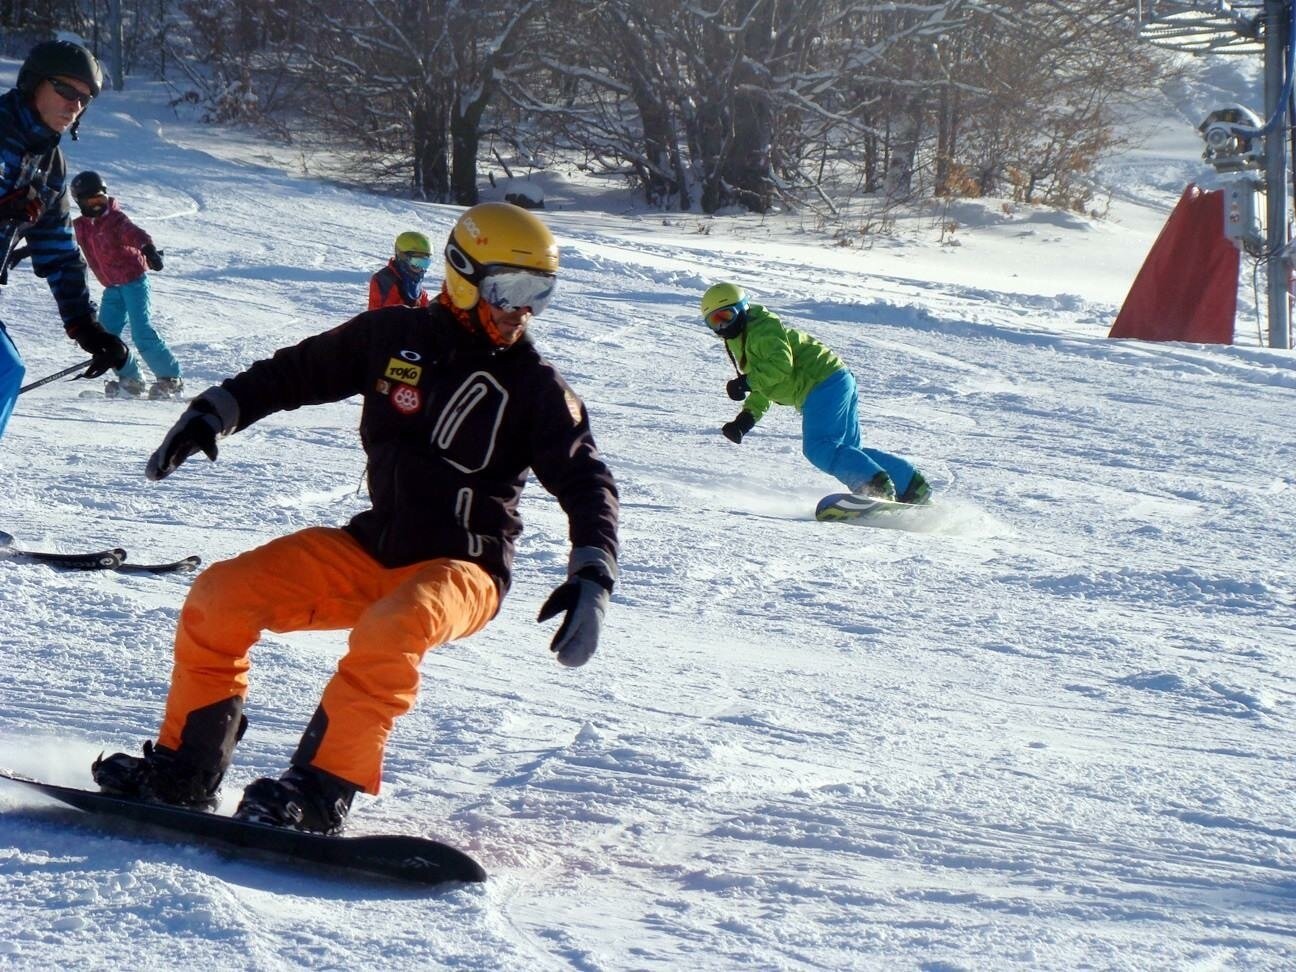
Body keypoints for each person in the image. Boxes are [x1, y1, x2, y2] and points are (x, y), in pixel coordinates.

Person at [92, 202, 620, 835]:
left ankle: (319, 791)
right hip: (374, 548)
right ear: (461, 272)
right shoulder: (391, 336)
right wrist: (217, 410)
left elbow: (586, 479)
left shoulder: (535, 386)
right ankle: (186, 771)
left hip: (465, 567)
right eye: (510, 289)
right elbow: (295, 372)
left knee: (394, 627)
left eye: (541, 294)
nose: (521, 310)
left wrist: (593, 573)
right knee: (219, 596)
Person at [701, 282, 931, 504]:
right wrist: (746, 418)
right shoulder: (743, 340)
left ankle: (875, 487)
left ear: (742, 309)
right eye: (714, 322)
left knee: (819, 447)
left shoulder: (762, 330)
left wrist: (746, 383)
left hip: (821, 383)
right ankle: (910, 486)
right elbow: (767, 381)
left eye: (726, 317)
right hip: (835, 379)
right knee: (849, 451)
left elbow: (780, 365)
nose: (722, 327)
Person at [0, 40, 128, 439]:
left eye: (84, 98)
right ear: (34, 83)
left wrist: (87, 327)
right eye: (66, 90)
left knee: (6, 370)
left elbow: (58, 252)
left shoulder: (50, 167)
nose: (75, 105)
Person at [71, 170, 180, 399]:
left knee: (142, 332)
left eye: (101, 199)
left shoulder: (115, 220)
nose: (98, 205)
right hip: (112, 287)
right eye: (92, 201)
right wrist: (30, 247)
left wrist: (148, 249)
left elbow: (134, 233)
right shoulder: (80, 226)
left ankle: (170, 379)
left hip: (134, 282)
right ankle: (131, 379)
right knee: (106, 336)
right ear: (80, 202)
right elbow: (61, 240)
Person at [367, 230, 432, 310]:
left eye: (424, 263)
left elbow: (427, 311)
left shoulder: (415, 284)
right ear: (402, 257)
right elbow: (379, 316)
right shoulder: (384, 281)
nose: (420, 268)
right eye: (416, 262)